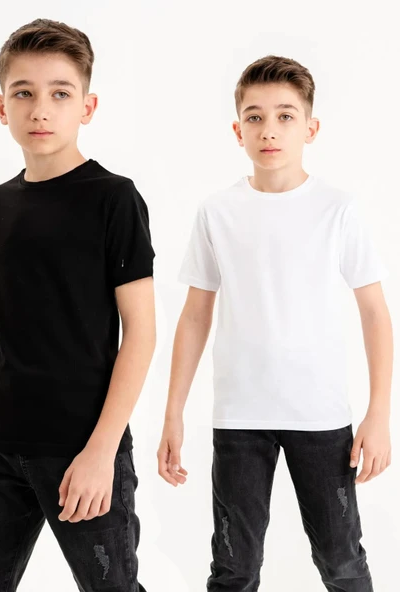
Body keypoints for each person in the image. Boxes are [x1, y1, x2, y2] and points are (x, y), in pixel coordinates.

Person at [158, 55, 392, 591]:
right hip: (239, 418)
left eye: (286, 116)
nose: (269, 130)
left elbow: (375, 312)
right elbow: (195, 314)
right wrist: (173, 412)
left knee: (342, 561)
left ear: (310, 128)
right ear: (237, 129)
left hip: (321, 416)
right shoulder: (218, 211)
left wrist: (378, 413)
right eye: (256, 117)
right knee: (234, 569)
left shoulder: (338, 209)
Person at [0, 18, 155, 592]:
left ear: (87, 106)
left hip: (81, 445)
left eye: (60, 93)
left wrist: (102, 451)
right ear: (0, 105)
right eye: (24, 93)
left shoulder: (114, 199)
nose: (40, 110)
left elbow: (140, 332)